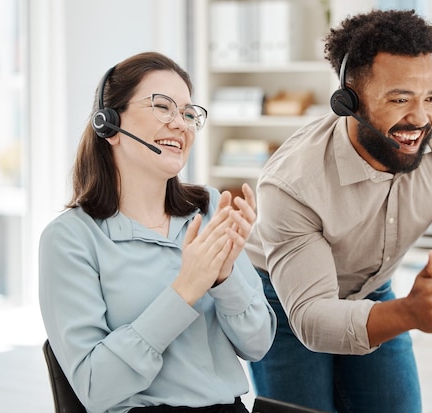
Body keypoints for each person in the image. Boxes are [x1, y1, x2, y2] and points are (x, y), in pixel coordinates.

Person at [245, 9, 432, 413]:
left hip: (373, 287)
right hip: (284, 301)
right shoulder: (292, 183)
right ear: (348, 100)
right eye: (400, 99)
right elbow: (313, 317)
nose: (420, 118)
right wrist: (408, 313)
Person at [39, 51, 276, 413]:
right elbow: (94, 387)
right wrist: (185, 290)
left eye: (188, 113)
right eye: (162, 107)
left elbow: (258, 345)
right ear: (109, 124)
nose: (180, 124)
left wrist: (224, 277)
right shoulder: (70, 238)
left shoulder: (209, 208)